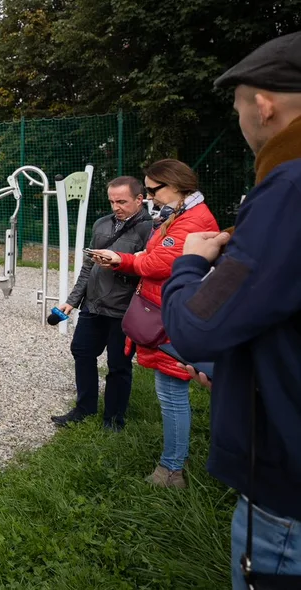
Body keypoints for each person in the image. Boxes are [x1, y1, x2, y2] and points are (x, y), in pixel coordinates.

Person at [161, 32, 301, 587]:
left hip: (287, 491)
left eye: (239, 106)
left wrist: (190, 264)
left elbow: (197, 327)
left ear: (262, 104)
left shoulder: (288, 187)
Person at [92, 159, 218, 488]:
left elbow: (163, 262)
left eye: (152, 190)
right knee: (172, 392)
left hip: (172, 316)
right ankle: (180, 460)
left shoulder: (191, 220)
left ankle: (172, 470)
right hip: (168, 310)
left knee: (173, 395)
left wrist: (122, 259)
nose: (149, 198)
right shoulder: (179, 215)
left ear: (176, 184)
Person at [51, 176, 153, 431]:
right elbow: (88, 267)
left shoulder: (150, 229)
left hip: (124, 310)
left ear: (139, 199)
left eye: (122, 201)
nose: (116, 207)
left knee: (118, 364)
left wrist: (120, 263)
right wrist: (71, 302)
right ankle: (84, 408)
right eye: (112, 201)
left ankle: (114, 419)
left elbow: (150, 269)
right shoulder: (102, 225)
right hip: (93, 305)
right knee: (82, 352)